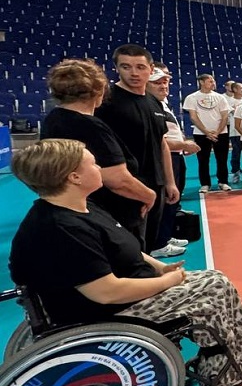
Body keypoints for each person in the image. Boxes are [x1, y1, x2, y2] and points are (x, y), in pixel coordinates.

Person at [9, 139, 242, 386]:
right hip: (108, 310)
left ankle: (235, 362)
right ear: (74, 177)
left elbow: (122, 246)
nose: (99, 168)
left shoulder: (81, 206)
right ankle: (225, 369)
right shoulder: (63, 229)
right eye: (93, 164)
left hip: (127, 288)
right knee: (215, 288)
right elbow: (107, 292)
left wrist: (159, 267)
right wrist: (166, 281)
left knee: (216, 279)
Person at [39, 58, 158, 250]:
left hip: (78, 209)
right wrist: (149, 195)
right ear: (99, 90)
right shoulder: (89, 126)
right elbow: (117, 180)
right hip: (109, 212)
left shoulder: (54, 119)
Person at [94, 44, 179, 253]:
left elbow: (161, 144)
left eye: (140, 67)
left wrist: (169, 182)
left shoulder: (153, 102)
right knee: (126, 247)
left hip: (155, 184)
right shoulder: (106, 102)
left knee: (147, 242)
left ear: (151, 69)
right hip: (123, 186)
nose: (134, 73)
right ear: (116, 68)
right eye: (126, 67)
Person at [147, 64, 199, 258]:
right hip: (166, 158)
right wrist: (184, 145)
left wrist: (182, 147)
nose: (163, 86)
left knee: (172, 201)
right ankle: (158, 243)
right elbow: (158, 141)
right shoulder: (150, 106)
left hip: (175, 156)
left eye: (165, 82)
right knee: (165, 201)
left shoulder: (162, 104)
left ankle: (166, 236)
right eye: (157, 83)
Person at [183, 73, 231, 193]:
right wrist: (206, 132)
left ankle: (223, 182)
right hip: (201, 134)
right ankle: (205, 184)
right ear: (201, 82)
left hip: (221, 133)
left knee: (222, 159)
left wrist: (217, 132)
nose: (213, 83)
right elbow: (193, 117)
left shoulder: (221, 97)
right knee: (203, 159)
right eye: (210, 81)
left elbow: (225, 116)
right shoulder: (192, 97)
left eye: (213, 81)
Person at [225, 82, 242, 184]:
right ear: (235, 89)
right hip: (235, 131)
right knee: (236, 153)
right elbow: (234, 113)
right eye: (241, 88)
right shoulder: (228, 101)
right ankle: (235, 172)